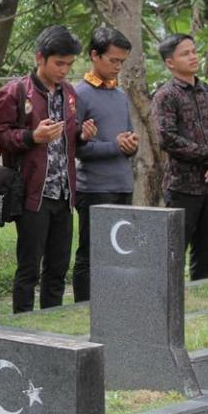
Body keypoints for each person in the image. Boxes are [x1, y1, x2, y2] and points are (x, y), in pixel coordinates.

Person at [0, 26, 97, 313]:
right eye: (59, 63)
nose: (65, 70)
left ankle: (54, 324)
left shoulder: (70, 93)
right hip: (32, 194)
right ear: (41, 57)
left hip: (64, 194)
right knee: (29, 269)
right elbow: (0, 136)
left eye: (69, 64)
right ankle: (24, 327)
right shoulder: (15, 91)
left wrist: (81, 135)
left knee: (58, 267)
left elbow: (68, 136)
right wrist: (31, 137)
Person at [152, 34, 208, 280]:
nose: (193, 56)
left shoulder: (206, 90)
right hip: (182, 188)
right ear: (170, 62)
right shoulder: (166, 95)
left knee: (206, 249)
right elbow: (168, 139)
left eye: (194, 51)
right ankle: (168, 301)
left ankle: (200, 296)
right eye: (185, 53)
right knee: (175, 249)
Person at [72, 27, 139, 302]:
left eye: (122, 61)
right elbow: (75, 147)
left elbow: (128, 135)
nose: (118, 66)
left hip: (123, 185)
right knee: (90, 252)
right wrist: (115, 145)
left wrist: (131, 145)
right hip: (94, 188)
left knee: (120, 251)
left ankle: (116, 304)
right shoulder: (80, 95)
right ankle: (83, 306)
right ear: (94, 56)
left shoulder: (121, 96)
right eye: (113, 60)